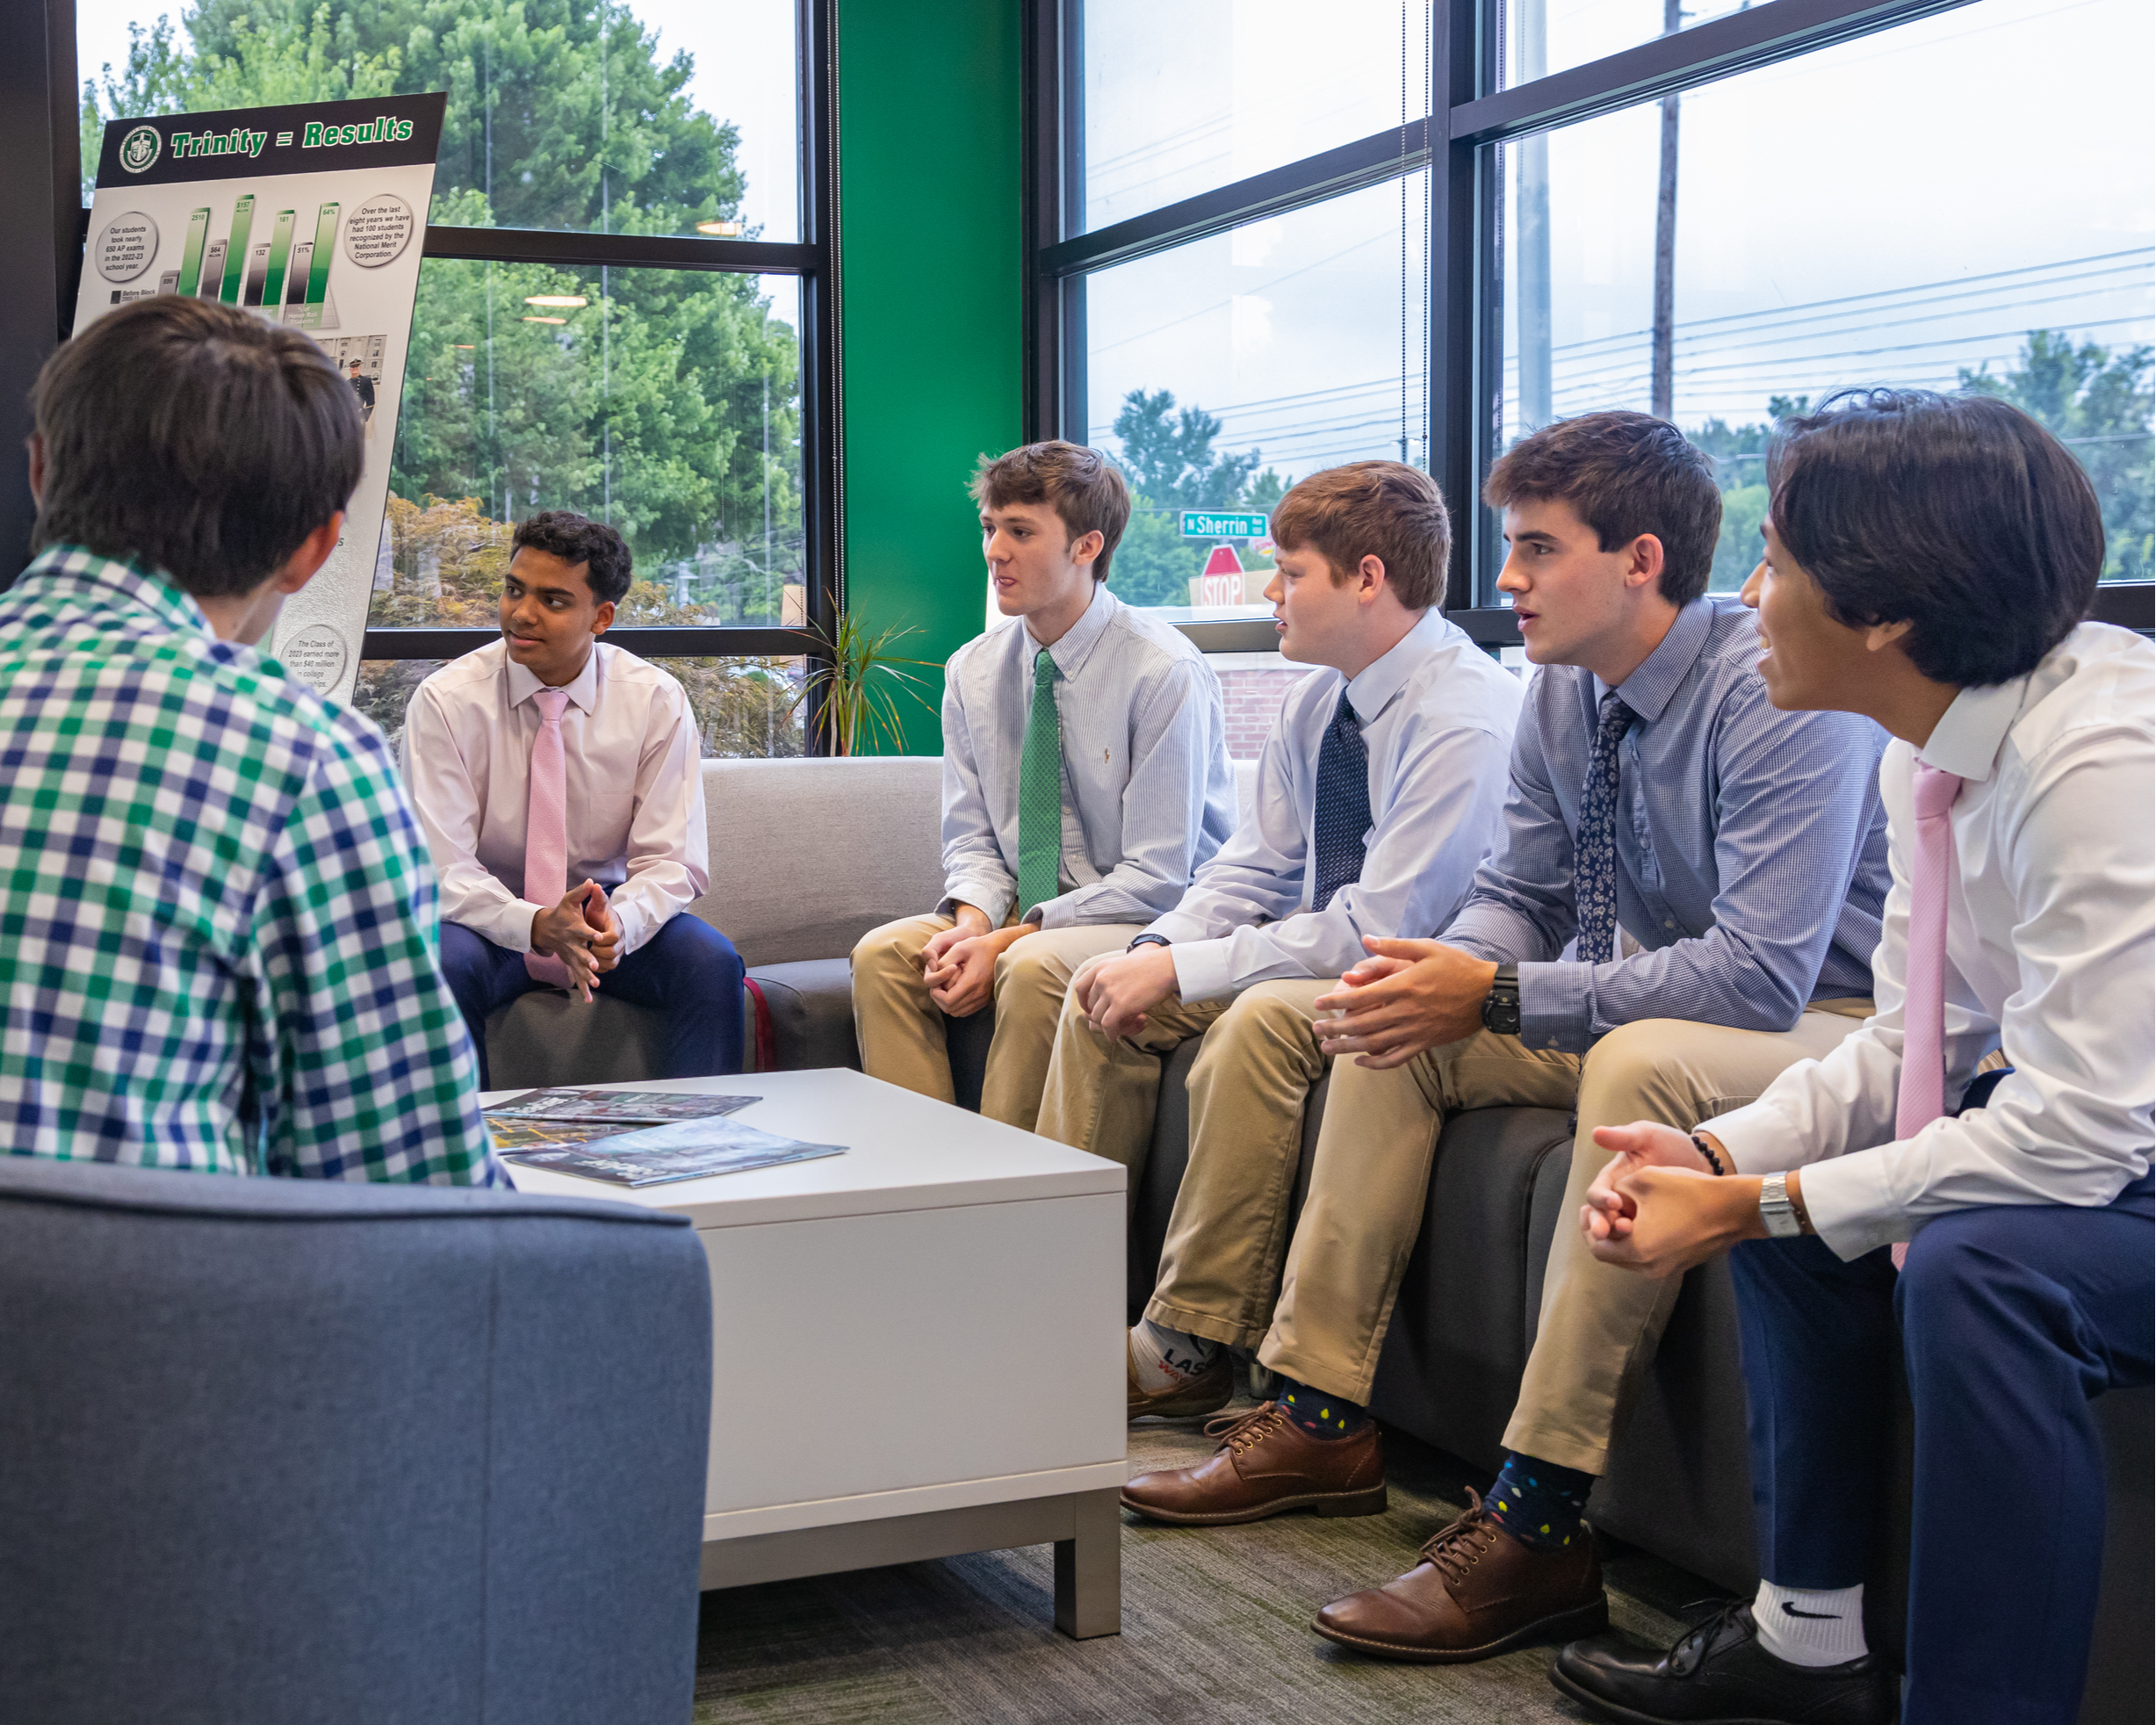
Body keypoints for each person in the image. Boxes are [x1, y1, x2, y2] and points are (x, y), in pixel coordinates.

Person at [1122, 411, 1893, 1660]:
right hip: (1660, 990)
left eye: (1535, 550)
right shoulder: (1557, 697)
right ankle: (1319, 1417)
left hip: (1832, 1019)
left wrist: (1496, 994)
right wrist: (1448, 970)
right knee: (1388, 1018)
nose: (1504, 580)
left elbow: (1758, 973)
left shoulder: (1773, 691)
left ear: (1638, 560)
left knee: (1629, 1055)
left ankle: (1537, 1524)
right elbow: (1522, 899)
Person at [1551, 390, 2152, 1725]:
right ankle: (1805, 1640)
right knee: (1808, 1180)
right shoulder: (1930, 738)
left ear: (1882, 613)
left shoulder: (2098, 758)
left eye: (1773, 560)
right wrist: (1722, 1158)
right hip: (2111, 1124)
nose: (1749, 594)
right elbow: (1910, 1036)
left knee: (1979, 1267)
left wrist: (1751, 1198)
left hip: (2123, 1137)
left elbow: (2077, 1137)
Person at [1029, 462, 1525, 1418]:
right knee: (1101, 994)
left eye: (1290, 573)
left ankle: (1185, 1343)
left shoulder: (1461, 717)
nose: (1268, 593)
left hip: (1410, 969)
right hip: (1333, 948)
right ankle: (1052, 1303)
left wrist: (1191, 966)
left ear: (1367, 578)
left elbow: (1374, 930)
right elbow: (1253, 869)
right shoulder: (1320, 699)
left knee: (1258, 1018)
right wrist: (1154, 950)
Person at [0, 295, 496, 1184]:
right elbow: (411, 1195)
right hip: (136, 1316)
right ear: (314, 549)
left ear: (40, 472)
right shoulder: (299, 759)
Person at [851, 441, 1236, 1130]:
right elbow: (969, 839)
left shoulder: (1161, 671)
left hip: (1147, 920)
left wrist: (1004, 943)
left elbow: (1160, 876)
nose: (994, 551)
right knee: (884, 955)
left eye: (1020, 532)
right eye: (989, 528)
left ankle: (1012, 1206)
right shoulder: (971, 669)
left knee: (1031, 968)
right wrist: (971, 923)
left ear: (1086, 546)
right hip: (1024, 913)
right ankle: (924, 1188)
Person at [401, 510, 744, 1088]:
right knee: (437, 963)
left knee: (709, 962)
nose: (521, 613)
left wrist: (619, 926)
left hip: (603, 911)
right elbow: (439, 867)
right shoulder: (445, 702)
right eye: (514, 590)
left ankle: (698, 1154)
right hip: (486, 919)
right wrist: (534, 923)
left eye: (553, 601)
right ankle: (459, 1168)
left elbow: (671, 859)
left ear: (601, 617)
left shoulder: (654, 700)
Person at [347, 358, 375, 434]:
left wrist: (364, 415)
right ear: (349, 368)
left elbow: (371, 400)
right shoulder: (346, 383)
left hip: (359, 415)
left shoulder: (366, 381)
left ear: (360, 367)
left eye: (356, 366)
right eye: (352, 366)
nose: (354, 368)